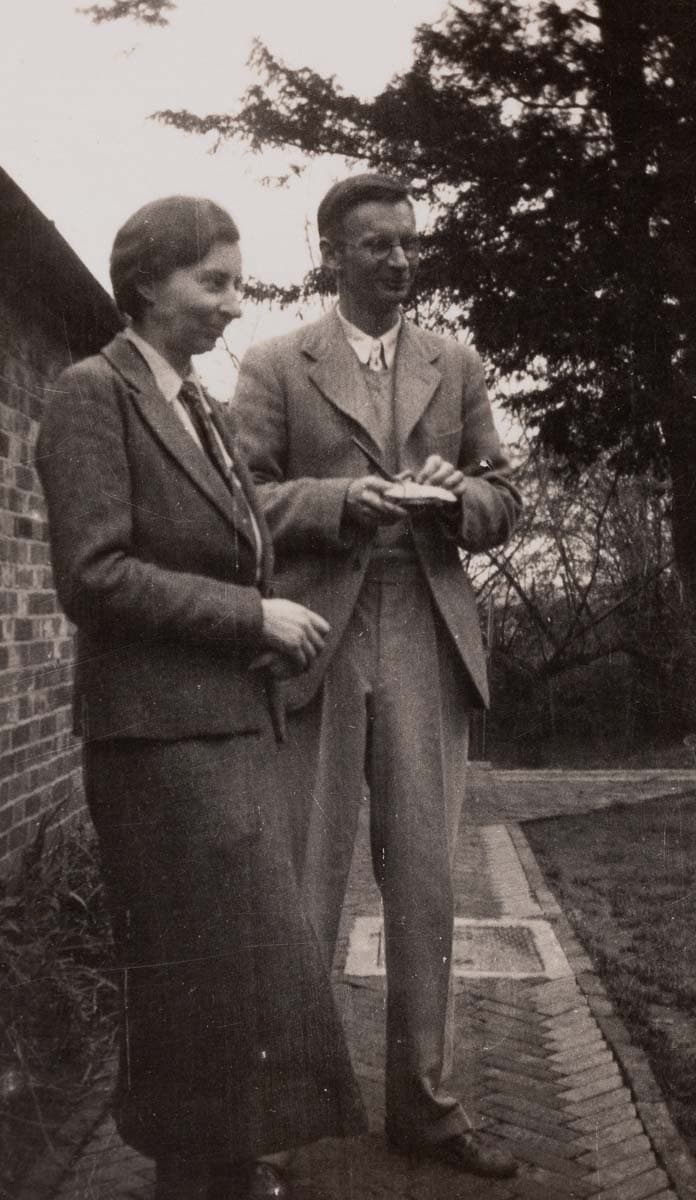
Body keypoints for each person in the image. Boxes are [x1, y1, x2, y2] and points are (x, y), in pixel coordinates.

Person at [36, 196, 367, 1200]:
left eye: (236, 280)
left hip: (224, 728)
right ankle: (198, 1179)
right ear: (146, 283)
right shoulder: (92, 394)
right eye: (212, 281)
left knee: (241, 981)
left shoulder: (198, 406)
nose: (234, 302)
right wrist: (249, 618)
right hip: (156, 744)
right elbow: (93, 575)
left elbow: (241, 539)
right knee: (195, 988)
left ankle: (227, 1169)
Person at [234, 174, 522, 1181]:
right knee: (301, 886)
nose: (398, 263)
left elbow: (505, 497)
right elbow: (244, 505)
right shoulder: (275, 363)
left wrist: (460, 501)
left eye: (409, 244)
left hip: (427, 634)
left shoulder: (457, 363)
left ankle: (426, 1111)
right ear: (331, 255)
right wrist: (336, 503)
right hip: (318, 634)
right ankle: (276, 1127)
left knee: (429, 887)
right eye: (375, 246)